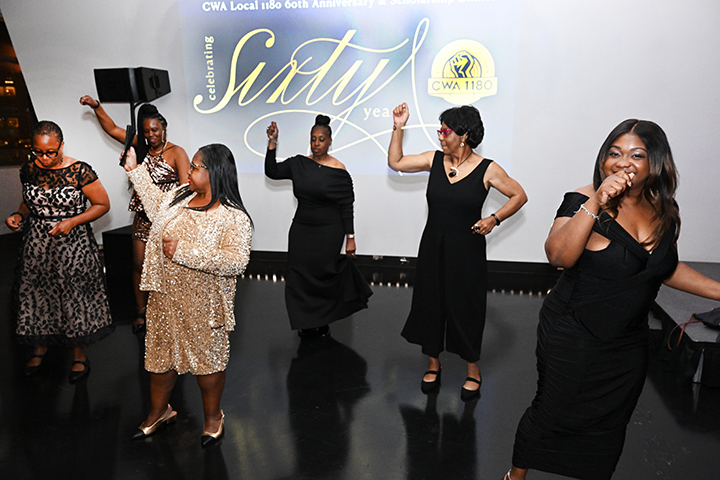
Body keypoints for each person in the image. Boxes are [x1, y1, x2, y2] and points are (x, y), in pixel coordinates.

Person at [505, 119, 720, 480]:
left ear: (656, 162)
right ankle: (516, 475)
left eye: (637, 155)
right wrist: (597, 201)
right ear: (603, 158)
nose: (623, 162)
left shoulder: (664, 210)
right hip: (573, 331)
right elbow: (558, 256)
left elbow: (662, 268)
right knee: (552, 409)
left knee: (611, 420)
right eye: (615, 153)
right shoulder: (582, 199)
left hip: (627, 340)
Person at [389, 102, 527, 401]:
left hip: (467, 250)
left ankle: (472, 370)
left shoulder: (488, 169)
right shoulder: (434, 159)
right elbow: (396, 162)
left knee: (466, 307)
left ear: (463, 135)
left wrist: (494, 219)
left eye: (445, 131)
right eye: (439, 131)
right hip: (433, 246)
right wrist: (398, 127)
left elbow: (519, 195)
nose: (440, 136)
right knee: (430, 303)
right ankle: (433, 364)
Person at [122, 143, 252, 447]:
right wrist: (135, 171)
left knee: (208, 364)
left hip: (204, 304)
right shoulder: (180, 195)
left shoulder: (233, 217)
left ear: (214, 172)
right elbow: (155, 205)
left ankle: (213, 418)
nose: (189, 171)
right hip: (164, 297)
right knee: (159, 359)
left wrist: (184, 251)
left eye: (195, 166)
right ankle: (160, 411)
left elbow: (237, 261)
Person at [5, 121, 113, 382]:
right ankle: (39, 348)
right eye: (38, 152)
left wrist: (72, 222)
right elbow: (28, 202)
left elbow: (102, 204)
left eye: (51, 152)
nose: (44, 158)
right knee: (38, 295)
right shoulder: (29, 170)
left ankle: (79, 355)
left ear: (62, 146)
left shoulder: (79, 171)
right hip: (37, 244)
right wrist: (19, 215)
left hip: (72, 245)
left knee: (73, 297)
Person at [80, 95, 190, 334]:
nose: (151, 135)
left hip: (167, 219)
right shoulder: (141, 146)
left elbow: (185, 189)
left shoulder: (177, 153)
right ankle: (141, 311)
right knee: (139, 265)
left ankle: (171, 311)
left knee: (168, 268)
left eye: (155, 130)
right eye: (146, 131)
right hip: (143, 217)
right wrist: (97, 106)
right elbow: (111, 129)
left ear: (164, 128)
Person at [264, 115, 372, 338]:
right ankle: (304, 320)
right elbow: (272, 171)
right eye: (313, 139)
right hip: (301, 229)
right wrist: (272, 142)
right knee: (298, 275)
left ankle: (322, 320)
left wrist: (350, 237)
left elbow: (346, 206)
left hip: (329, 232)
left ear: (330, 141)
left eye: (321, 140)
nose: (316, 144)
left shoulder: (339, 171)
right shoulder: (298, 164)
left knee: (322, 276)